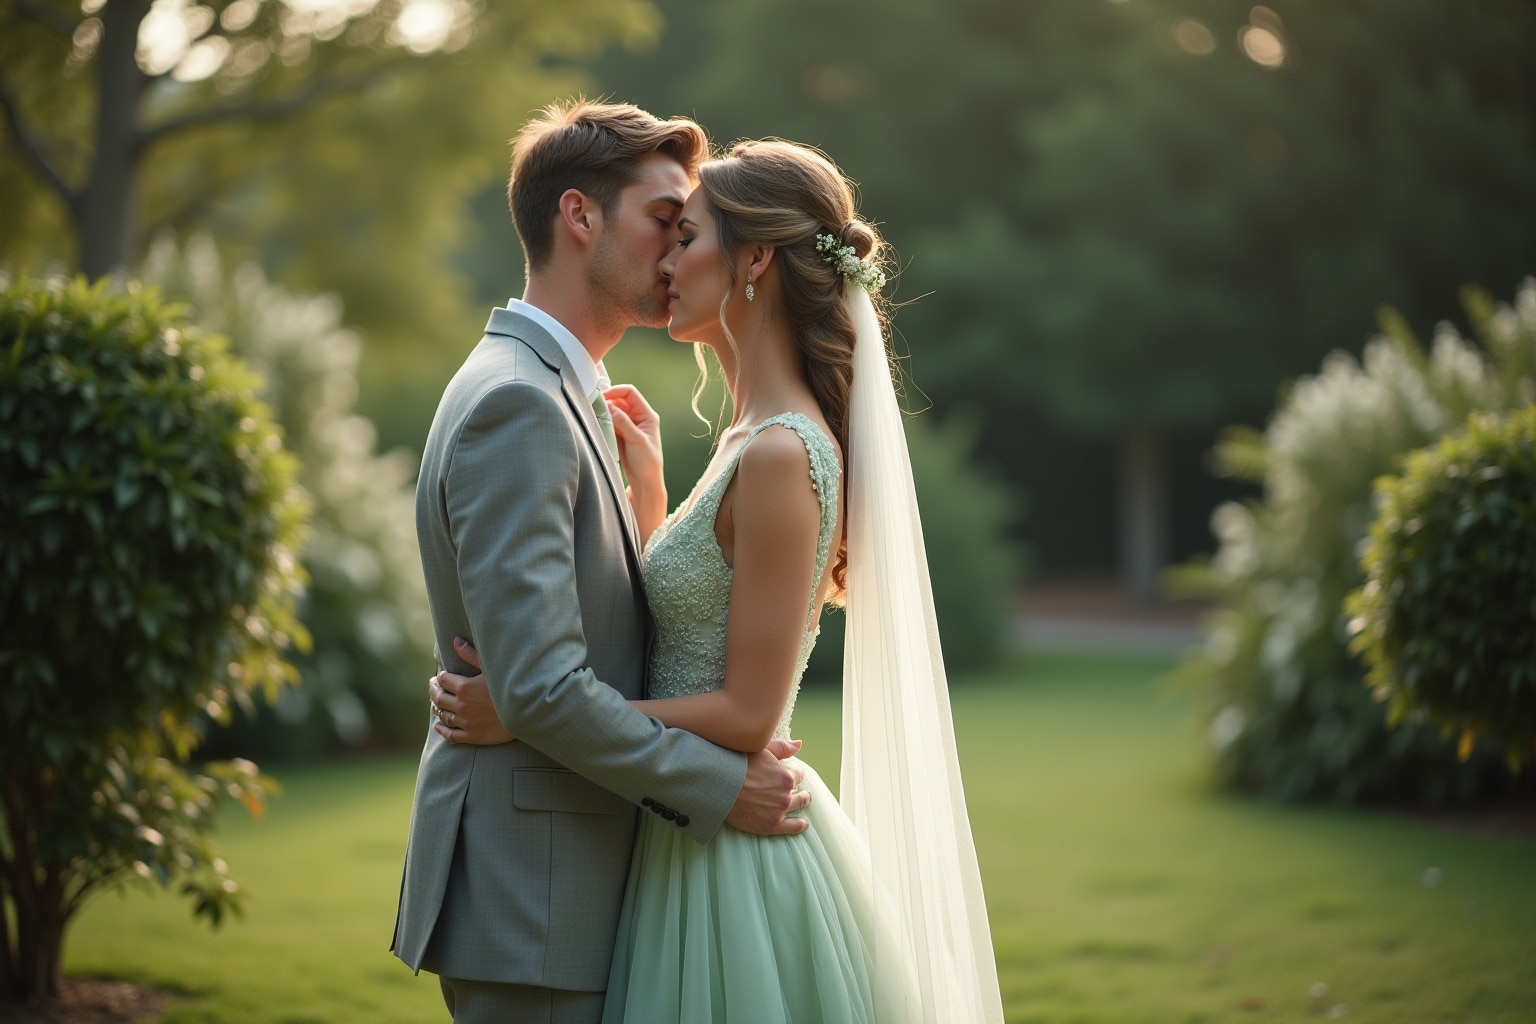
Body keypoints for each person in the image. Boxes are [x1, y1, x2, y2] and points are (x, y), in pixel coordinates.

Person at [435, 139, 1005, 1022]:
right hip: (681, 836)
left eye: (685, 234)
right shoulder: (745, 436)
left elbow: (743, 710)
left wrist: (526, 709)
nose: (667, 261)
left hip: (734, 851)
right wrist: (655, 509)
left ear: (755, 262)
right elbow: (696, 620)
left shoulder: (782, 451)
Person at [392, 101, 811, 1024]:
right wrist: (722, 787)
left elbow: (578, 645)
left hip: (566, 886)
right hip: (534, 900)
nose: (678, 253)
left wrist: (646, 515)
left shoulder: (557, 396)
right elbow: (540, 689)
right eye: (666, 218)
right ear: (579, 216)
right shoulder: (522, 407)